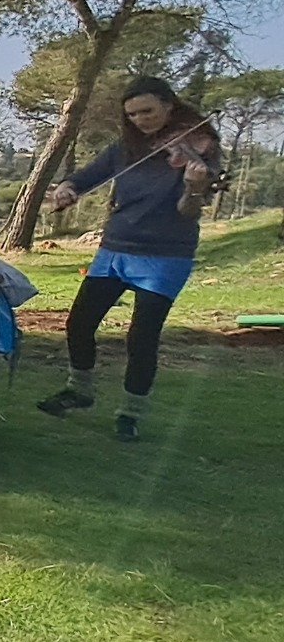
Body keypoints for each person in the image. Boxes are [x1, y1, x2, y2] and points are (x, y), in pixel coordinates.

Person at [37, 76, 220, 442]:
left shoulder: (201, 148)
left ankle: (130, 414)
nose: (140, 120)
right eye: (133, 114)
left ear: (169, 105)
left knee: (142, 337)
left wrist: (193, 187)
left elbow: (187, 213)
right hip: (116, 247)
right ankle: (80, 390)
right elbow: (87, 176)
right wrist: (68, 188)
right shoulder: (125, 148)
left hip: (166, 254)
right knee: (79, 323)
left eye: (147, 111)